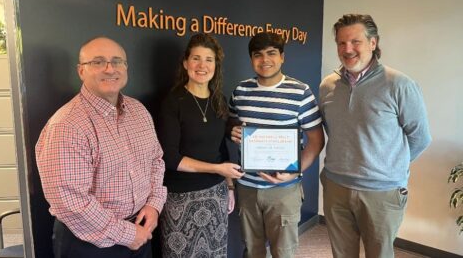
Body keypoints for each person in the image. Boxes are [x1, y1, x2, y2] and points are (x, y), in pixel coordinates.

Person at [35, 36, 167, 258]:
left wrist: (154, 205)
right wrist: (127, 234)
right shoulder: (67, 124)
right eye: (98, 62)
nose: (109, 68)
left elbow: (156, 161)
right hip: (89, 244)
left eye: (117, 61)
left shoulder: (139, 111)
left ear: (126, 68)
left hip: (142, 232)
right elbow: (70, 202)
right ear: (81, 71)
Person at [319, 14, 432, 258]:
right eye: (341, 43)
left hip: (382, 192)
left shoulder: (400, 84)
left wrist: (386, 164)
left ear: (373, 43)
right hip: (336, 187)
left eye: (355, 41)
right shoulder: (327, 85)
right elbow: (333, 130)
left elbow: (420, 137)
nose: (347, 49)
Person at [229, 32, 325, 258]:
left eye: (271, 53)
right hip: (248, 187)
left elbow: (316, 139)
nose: (265, 60)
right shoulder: (240, 91)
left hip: (284, 191)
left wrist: (294, 172)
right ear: (251, 59)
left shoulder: (300, 92)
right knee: (252, 249)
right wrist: (232, 130)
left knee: (284, 251)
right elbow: (232, 123)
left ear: (282, 57)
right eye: (258, 55)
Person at [156, 33, 244, 258]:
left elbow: (222, 150)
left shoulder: (219, 101)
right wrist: (217, 169)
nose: (202, 65)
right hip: (181, 198)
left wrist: (230, 186)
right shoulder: (173, 102)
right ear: (186, 63)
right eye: (196, 58)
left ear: (216, 65)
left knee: (215, 253)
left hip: (216, 194)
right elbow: (171, 159)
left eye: (209, 59)